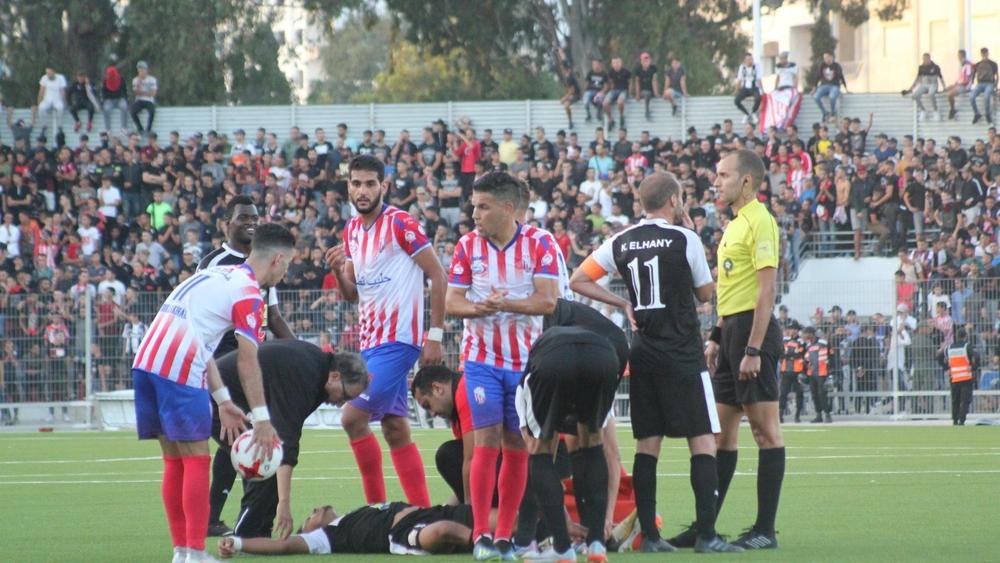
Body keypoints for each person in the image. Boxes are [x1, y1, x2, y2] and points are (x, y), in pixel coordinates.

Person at [571, 171, 741, 554]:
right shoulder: (685, 238)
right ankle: (707, 535)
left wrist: (622, 302)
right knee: (703, 439)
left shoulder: (621, 240)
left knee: (648, 443)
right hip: (682, 351)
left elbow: (578, 279)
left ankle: (650, 536)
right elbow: (704, 293)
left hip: (643, 351)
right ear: (674, 200)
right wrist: (691, 239)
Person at [132, 222, 294, 563]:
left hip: (146, 362)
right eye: (288, 264)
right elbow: (248, 361)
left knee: (174, 461)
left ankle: (181, 552)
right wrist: (262, 419)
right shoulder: (250, 293)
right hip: (179, 366)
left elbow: (202, 340)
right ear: (278, 259)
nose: (286, 273)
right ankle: (194, 553)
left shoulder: (215, 274)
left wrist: (223, 401)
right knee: (196, 459)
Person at [445, 171, 559, 560]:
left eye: (483, 207)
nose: (474, 214)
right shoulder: (467, 246)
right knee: (486, 440)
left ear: (508, 208)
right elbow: (452, 302)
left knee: (516, 444)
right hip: (481, 360)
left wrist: (504, 303)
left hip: (525, 363)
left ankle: (505, 536)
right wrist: (479, 308)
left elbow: (548, 301)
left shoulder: (540, 243)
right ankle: (481, 534)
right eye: (474, 206)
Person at [324, 154, 447, 510]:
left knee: (351, 418)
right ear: (348, 186)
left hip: (399, 341)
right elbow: (352, 294)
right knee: (395, 429)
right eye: (356, 184)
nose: (362, 191)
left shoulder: (401, 223)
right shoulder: (351, 230)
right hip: (370, 343)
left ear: (384, 186)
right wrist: (337, 271)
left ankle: (375, 512)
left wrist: (435, 335)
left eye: (370, 184)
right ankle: (422, 512)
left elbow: (438, 275)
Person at [200, 196, 296, 537]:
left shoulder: (264, 263)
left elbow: (273, 317)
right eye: (243, 217)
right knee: (245, 440)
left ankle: (216, 518)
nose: (251, 222)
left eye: (255, 216)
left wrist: (299, 351)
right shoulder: (215, 264)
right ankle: (247, 524)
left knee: (236, 440)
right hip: (223, 361)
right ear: (226, 223)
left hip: (252, 357)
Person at [704, 149, 784, 550]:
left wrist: (753, 348)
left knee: (765, 432)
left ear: (746, 181)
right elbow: (733, 288)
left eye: (723, 175)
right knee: (720, 435)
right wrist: (717, 335)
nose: (716, 182)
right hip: (733, 331)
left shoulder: (760, 221)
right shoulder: (734, 224)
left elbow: (765, 290)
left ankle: (765, 530)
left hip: (754, 334)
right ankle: (706, 527)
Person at [512, 296, 629, 562]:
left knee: (539, 450)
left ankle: (562, 548)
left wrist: (558, 514)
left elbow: (538, 449)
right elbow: (611, 455)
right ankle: (596, 544)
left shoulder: (526, 355)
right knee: (592, 441)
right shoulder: (564, 313)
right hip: (607, 352)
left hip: (555, 356)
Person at [214, 340, 368, 539]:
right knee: (266, 461)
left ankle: (259, 532)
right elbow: (286, 439)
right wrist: (284, 503)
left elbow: (286, 433)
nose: (341, 404)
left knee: (268, 460)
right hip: (218, 400)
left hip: (229, 396)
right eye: (345, 395)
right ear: (335, 376)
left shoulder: (318, 368)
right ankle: (246, 536)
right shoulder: (306, 375)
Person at [217, 503, 478, 557]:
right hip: (402, 533)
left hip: (429, 512)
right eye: (310, 516)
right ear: (308, 532)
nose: (315, 509)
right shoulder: (327, 537)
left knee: (490, 516)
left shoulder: (355, 514)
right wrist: (237, 544)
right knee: (443, 530)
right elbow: (284, 545)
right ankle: (484, 543)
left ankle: (492, 537)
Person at [946, 328, 978, 425]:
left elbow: (939, 357)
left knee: (955, 400)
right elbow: (977, 356)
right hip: (965, 378)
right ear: (965, 336)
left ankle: (955, 420)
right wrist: (973, 367)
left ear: (956, 336)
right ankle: (962, 420)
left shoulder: (949, 348)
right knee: (965, 400)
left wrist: (947, 368)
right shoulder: (966, 346)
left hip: (954, 378)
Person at [801, 326, 833, 423]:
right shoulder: (808, 345)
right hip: (812, 373)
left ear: (811, 334)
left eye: (805, 333)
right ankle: (818, 415)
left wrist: (830, 371)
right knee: (814, 394)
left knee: (822, 394)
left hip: (822, 372)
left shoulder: (823, 343)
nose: (804, 336)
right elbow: (807, 359)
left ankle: (827, 414)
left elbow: (831, 356)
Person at [903, 53, 946, 121]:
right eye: (923, 59)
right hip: (924, 84)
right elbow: (917, 79)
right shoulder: (921, 67)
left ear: (929, 59)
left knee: (931, 94)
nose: (924, 61)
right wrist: (910, 89)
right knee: (914, 95)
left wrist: (944, 87)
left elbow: (941, 78)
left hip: (933, 84)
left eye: (926, 59)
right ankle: (923, 110)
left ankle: (935, 111)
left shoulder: (935, 67)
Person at [778, 321, 805, 424]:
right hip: (786, 371)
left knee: (799, 394)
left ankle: (797, 416)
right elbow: (781, 353)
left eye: (794, 329)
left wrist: (788, 355)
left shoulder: (801, 341)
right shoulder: (784, 340)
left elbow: (800, 354)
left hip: (798, 371)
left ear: (798, 330)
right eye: (791, 329)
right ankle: (780, 415)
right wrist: (791, 355)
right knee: (783, 394)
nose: (792, 331)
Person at [813, 52, 847, 122]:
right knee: (816, 97)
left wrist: (845, 87)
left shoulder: (836, 66)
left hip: (834, 86)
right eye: (824, 58)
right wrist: (814, 87)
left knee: (832, 97)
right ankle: (825, 112)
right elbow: (817, 77)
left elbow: (841, 76)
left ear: (831, 57)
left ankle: (832, 113)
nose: (825, 59)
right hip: (823, 86)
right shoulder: (822, 65)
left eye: (827, 57)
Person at [969, 47, 997, 124]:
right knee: (971, 96)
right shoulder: (977, 64)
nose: (984, 55)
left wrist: (995, 86)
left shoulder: (993, 64)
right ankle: (977, 114)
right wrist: (971, 84)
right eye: (983, 53)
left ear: (988, 54)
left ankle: (987, 114)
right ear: (981, 54)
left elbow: (997, 75)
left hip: (990, 83)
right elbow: (973, 74)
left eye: (985, 53)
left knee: (987, 96)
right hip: (980, 83)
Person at [734, 53, 763, 125]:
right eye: (748, 59)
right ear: (745, 60)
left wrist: (762, 90)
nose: (750, 61)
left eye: (751, 59)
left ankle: (753, 112)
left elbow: (759, 79)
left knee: (758, 98)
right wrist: (736, 90)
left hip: (754, 87)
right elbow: (739, 79)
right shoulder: (742, 67)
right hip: (745, 88)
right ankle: (746, 114)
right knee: (736, 100)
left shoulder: (756, 66)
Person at [37, 66, 67, 135]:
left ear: (54, 72)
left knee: (60, 108)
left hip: (57, 99)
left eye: (49, 73)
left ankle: (60, 126)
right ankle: (44, 126)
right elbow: (41, 91)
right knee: (41, 108)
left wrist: (64, 102)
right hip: (47, 99)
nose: (48, 75)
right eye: (47, 73)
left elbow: (62, 91)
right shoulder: (44, 78)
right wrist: (39, 102)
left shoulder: (60, 78)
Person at [603, 57, 631, 131]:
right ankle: (610, 119)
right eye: (614, 63)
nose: (616, 65)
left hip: (623, 90)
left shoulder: (626, 72)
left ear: (621, 63)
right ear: (612, 64)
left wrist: (630, 92)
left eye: (617, 63)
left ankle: (621, 116)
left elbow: (630, 83)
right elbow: (610, 82)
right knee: (605, 103)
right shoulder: (610, 72)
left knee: (620, 102)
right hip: (614, 90)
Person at [946, 50, 975, 121]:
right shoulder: (962, 65)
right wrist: (954, 84)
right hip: (960, 84)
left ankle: (953, 110)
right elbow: (961, 78)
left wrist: (957, 85)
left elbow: (967, 79)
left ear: (962, 56)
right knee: (946, 89)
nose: (958, 58)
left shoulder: (968, 65)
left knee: (950, 94)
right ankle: (952, 109)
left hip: (965, 86)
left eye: (959, 56)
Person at [557, 49, 581, 130]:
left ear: (565, 69)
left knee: (566, 105)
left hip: (576, 95)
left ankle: (570, 121)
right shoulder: (568, 71)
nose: (561, 70)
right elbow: (564, 58)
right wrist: (560, 52)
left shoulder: (570, 77)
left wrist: (564, 98)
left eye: (562, 68)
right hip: (573, 94)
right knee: (566, 102)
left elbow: (572, 91)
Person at [131, 61, 158, 134]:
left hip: (149, 100)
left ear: (146, 70)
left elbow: (153, 93)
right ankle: (140, 128)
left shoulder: (152, 79)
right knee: (133, 112)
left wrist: (142, 93)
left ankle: (148, 129)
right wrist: (139, 84)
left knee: (152, 111)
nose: (141, 72)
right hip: (139, 100)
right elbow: (136, 93)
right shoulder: (135, 80)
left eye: (143, 69)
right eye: (140, 70)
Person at [101, 65, 129, 133]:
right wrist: (104, 101)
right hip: (109, 100)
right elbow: (103, 91)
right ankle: (108, 129)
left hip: (120, 98)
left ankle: (124, 127)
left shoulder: (121, 79)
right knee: (106, 109)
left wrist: (126, 99)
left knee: (124, 107)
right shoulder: (105, 80)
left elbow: (124, 89)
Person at [632, 52, 659, 121]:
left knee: (649, 93)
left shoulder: (653, 68)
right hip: (642, 91)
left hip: (651, 90)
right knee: (647, 93)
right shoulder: (638, 69)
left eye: (647, 60)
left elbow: (654, 81)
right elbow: (637, 82)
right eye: (644, 60)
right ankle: (647, 111)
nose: (646, 62)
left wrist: (656, 93)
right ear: (641, 61)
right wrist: (637, 94)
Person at [583, 59, 609, 123]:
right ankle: (588, 115)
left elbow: (606, 86)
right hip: (590, 91)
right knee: (586, 98)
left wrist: (602, 92)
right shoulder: (590, 73)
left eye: (596, 64)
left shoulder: (604, 74)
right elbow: (586, 83)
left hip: (599, 91)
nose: (595, 66)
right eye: (593, 64)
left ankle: (598, 114)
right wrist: (585, 91)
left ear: (600, 65)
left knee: (599, 98)